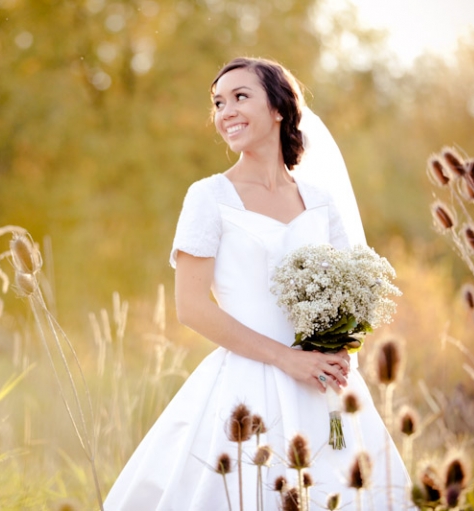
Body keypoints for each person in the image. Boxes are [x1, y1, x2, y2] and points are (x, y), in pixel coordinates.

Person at [104, 57, 413, 510]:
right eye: (218, 103)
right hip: (245, 387)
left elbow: (354, 293)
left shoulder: (320, 201)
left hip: (322, 387)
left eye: (240, 97)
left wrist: (335, 348)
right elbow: (192, 307)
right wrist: (287, 360)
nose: (225, 111)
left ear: (279, 109)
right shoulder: (208, 197)